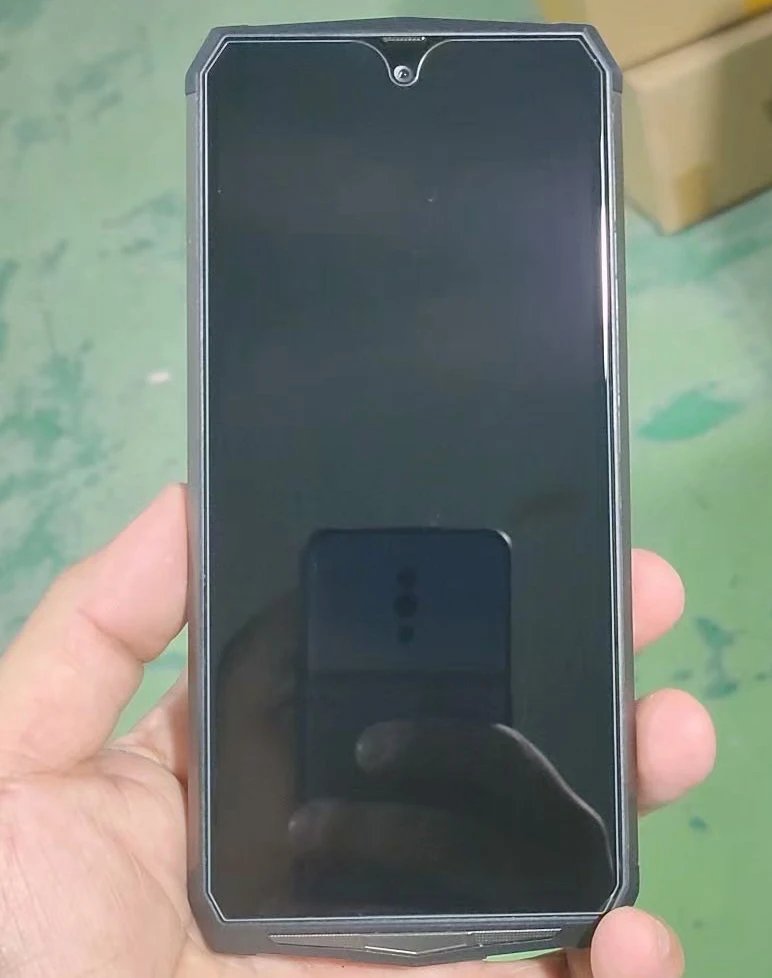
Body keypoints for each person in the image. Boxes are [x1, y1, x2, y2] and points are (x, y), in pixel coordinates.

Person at [0, 485, 716, 978]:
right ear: (204, 754)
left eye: (427, 709)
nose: (374, 749)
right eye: (306, 708)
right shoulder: (141, 906)